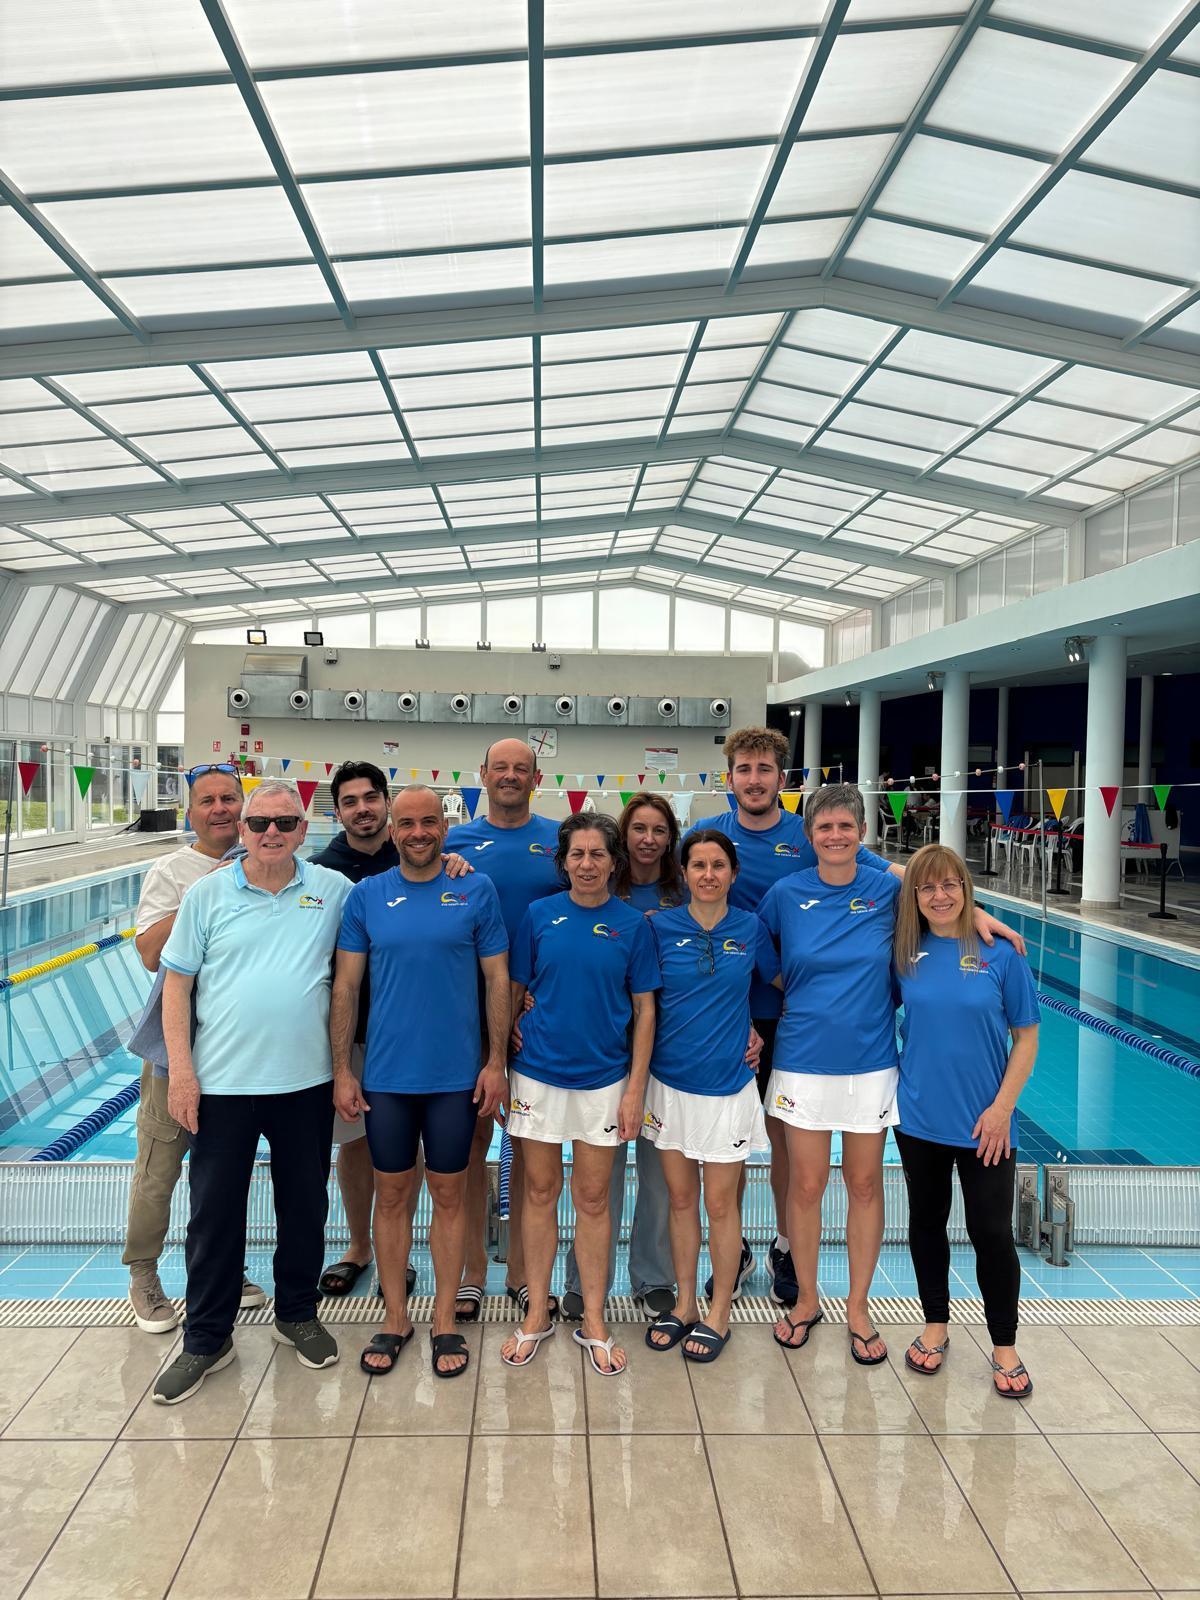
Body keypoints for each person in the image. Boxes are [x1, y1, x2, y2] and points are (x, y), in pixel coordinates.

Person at [152, 780, 353, 1404]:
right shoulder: (208, 894)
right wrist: (182, 1073)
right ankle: (206, 1338)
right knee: (213, 1216)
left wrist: (453, 862)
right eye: (260, 822)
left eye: (285, 823)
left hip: (305, 1082)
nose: (272, 832)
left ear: (303, 829)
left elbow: (400, 904)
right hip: (221, 1086)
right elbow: (176, 986)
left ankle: (297, 1313)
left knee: (305, 1207)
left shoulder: (333, 890)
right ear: (241, 830)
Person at [683, 727, 893, 1308]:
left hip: (789, 1023)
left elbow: (900, 877)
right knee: (725, 1143)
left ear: (782, 778)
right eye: (744, 769)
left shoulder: (810, 833)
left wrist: (975, 911)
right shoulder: (709, 834)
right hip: (724, 1014)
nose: (754, 780)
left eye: (764, 769)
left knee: (785, 1144)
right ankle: (733, 1249)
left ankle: (784, 1245)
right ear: (729, 777)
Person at [332, 787, 509, 1379]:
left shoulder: (476, 890)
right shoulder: (367, 896)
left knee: (451, 1196)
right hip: (387, 1078)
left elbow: (498, 979)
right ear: (392, 830)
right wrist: (342, 1070)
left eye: (428, 821)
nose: (417, 832)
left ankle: (445, 1319)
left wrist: (495, 1064)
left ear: (444, 827)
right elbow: (346, 987)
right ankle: (395, 1317)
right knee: (391, 1196)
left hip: (455, 1078)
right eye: (405, 823)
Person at [502, 813, 660, 1375]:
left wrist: (634, 1088)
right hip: (537, 1074)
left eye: (597, 854)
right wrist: (501, 1058)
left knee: (593, 1200)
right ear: (563, 861)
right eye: (577, 854)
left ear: (614, 863)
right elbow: (514, 990)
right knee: (539, 1192)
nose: (587, 864)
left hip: (604, 1080)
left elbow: (645, 1011)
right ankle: (536, 1314)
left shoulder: (633, 925)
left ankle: (593, 1318)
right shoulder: (538, 916)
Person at [122, 762, 265, 1334]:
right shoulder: (172, 870)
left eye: (229, 798)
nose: (221, 809)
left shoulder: (266, 861)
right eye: (208, 801)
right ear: (191, 813)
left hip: (238, 1050)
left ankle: (224, 1269)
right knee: (159, 1169)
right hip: (175, 1049)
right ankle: (143, 1274)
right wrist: (208, 891)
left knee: (224, 1175)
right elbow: (149, 954)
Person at [893, 845, 1039, 1398]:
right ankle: (936, 1324)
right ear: (914, 895)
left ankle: (1004, 1345)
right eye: (928, 887)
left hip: (987, 1125)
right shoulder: (904, 950)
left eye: (950, 884)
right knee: (927, 1224)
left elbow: (1026, 1038)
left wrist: (1002, 1110)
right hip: (919, 1119)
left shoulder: (1002, 954)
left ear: (966, 888)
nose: (940, 895)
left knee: (992, 1233)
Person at [642, 831, 774, 1362]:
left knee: (720, 1204)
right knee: (680, 1201)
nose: (708, 875)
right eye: (698, 865)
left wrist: (757, 1031)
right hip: (669, 1084)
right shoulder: (658, 928)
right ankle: (685, 1303)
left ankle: (720, 1311)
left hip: (728, 1086)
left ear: (733, 873)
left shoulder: (751, 927)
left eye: (718, 865)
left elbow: (780, 985)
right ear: (684, 873)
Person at [443, 738, 562, 1322]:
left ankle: (519, 1273)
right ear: (482, 775)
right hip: (468, 1011)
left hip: (541, 1013)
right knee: (469, 1146)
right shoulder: (453, 844)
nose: (510, 776)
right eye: (500, 768)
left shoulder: (561, 841)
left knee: (530, 1149)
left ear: (537, 778)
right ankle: (471, 1272)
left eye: (521, 768)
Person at [560, 794, 682, 1319]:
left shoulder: (686, 890)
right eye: (639, 829)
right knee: (597, 1177)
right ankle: (584, 1278)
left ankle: (653, 1274)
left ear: (671, 838)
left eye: (659, 830)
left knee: (659, 1173)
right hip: (606, 1046)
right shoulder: (599, 886)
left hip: (671, 1046)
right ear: (622, 838)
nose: (648, 839)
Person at [310, 761, 412, 1302]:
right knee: (353, 1143)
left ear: (386, 802)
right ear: (338, 811)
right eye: (350, 801)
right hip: (350, 1031)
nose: (362, 809)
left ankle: (402, 1250)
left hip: (407, 1028)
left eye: (371, 797)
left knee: (409, 1147)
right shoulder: (320, 872)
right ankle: (358, 1246)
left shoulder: (416, 856)